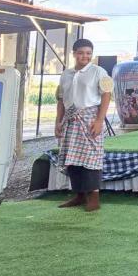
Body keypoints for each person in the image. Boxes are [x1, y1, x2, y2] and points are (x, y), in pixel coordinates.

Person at [54, 38, 113, 212]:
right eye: (80, 53)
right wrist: (58, 121)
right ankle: (79, 195)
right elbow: (60, 99)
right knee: (72, 159)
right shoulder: (66, 74)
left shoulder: (99, 71)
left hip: (90, 119)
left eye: (88, 53)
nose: (84, 56)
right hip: (70, 119)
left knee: (91, 158)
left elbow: (107, 94)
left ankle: (94, 197)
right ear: (74, 54)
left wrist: (99, 120)